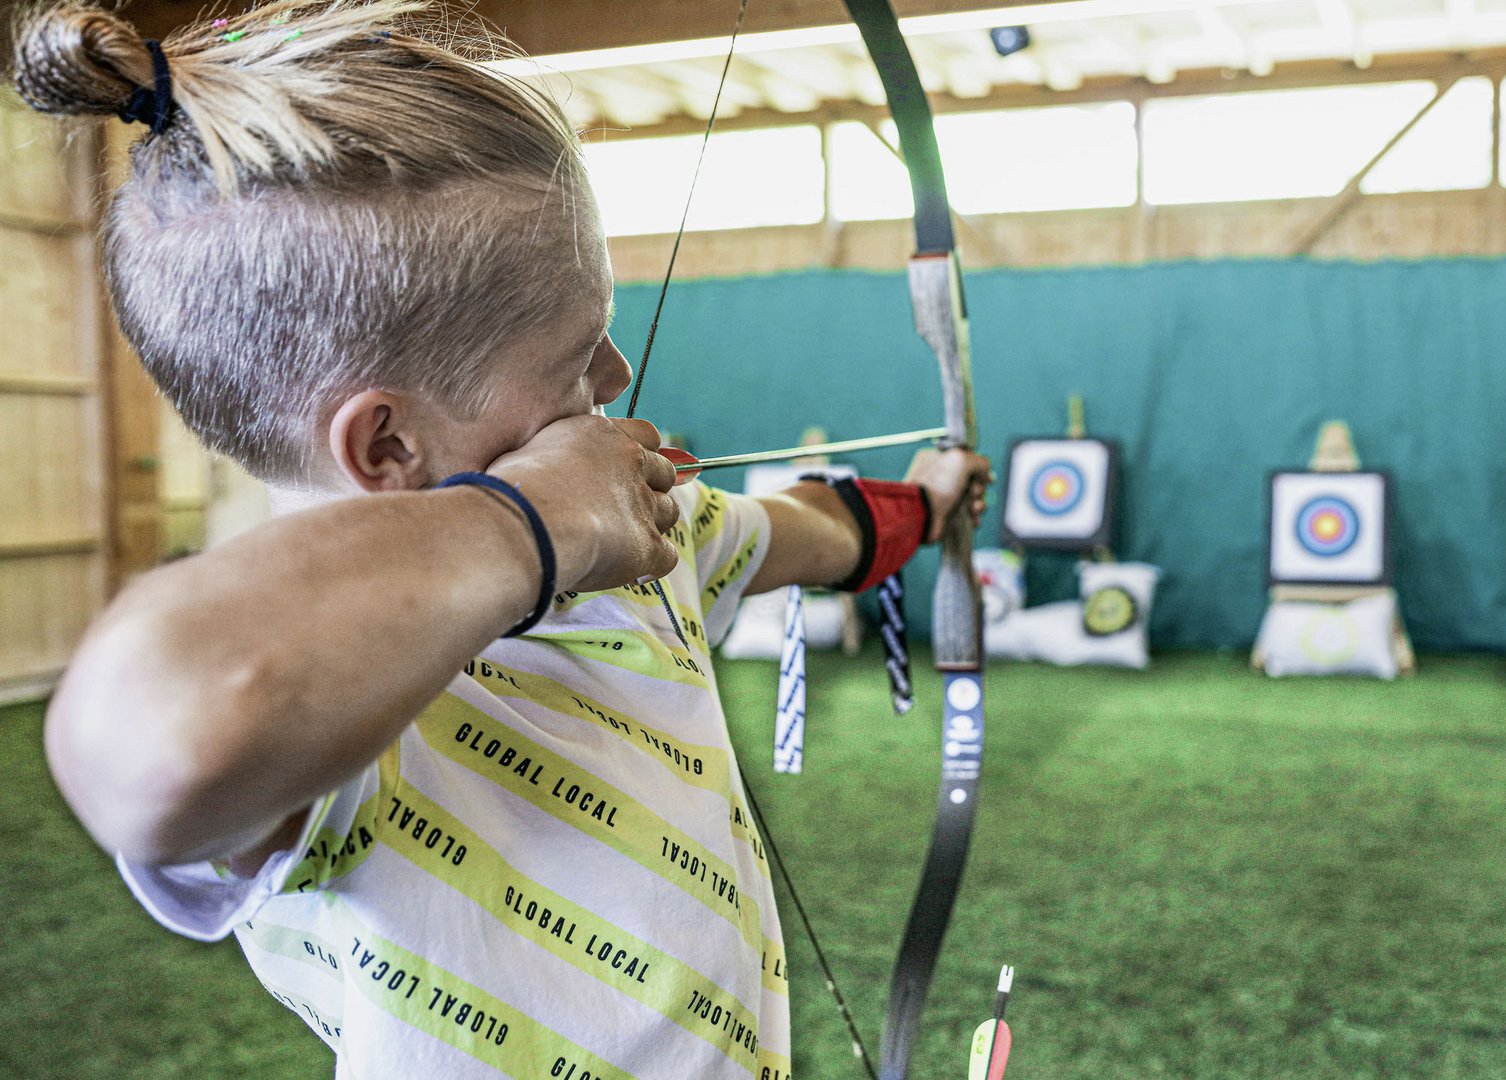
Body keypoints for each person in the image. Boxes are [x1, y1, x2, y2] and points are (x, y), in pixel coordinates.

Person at [13, 2, 991, 1076]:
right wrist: (526, 522)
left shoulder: (641, 539)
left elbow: (813, 531)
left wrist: (926, 501)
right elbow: (147, 730)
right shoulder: (342, 724)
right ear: (388, 446)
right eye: (576, 354)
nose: (615, 378)